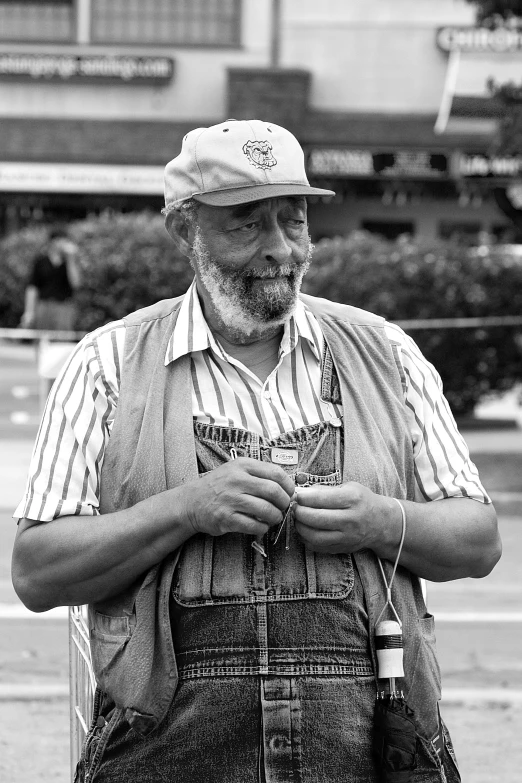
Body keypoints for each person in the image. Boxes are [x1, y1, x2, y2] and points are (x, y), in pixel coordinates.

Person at [11, 120, 501, 783]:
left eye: (292, 221)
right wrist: (185, 508)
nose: (278, 248)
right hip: (165, 752)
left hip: (372, 749)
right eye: (246, 224)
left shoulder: (386, 353)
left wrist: (384, 522)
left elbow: (478, 540)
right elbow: (38, 571)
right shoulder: (107, 364)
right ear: (185, 230)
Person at [20, 227, 81, 332]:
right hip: (43, 306)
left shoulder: (71, 261)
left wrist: (71, 259)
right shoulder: (41, 261)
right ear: (52, 241)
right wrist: (29, 311)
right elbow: (32, 287)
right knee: (42, 342)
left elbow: (76, 284)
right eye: (60, 240)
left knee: (62, 344)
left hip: (64, 307)